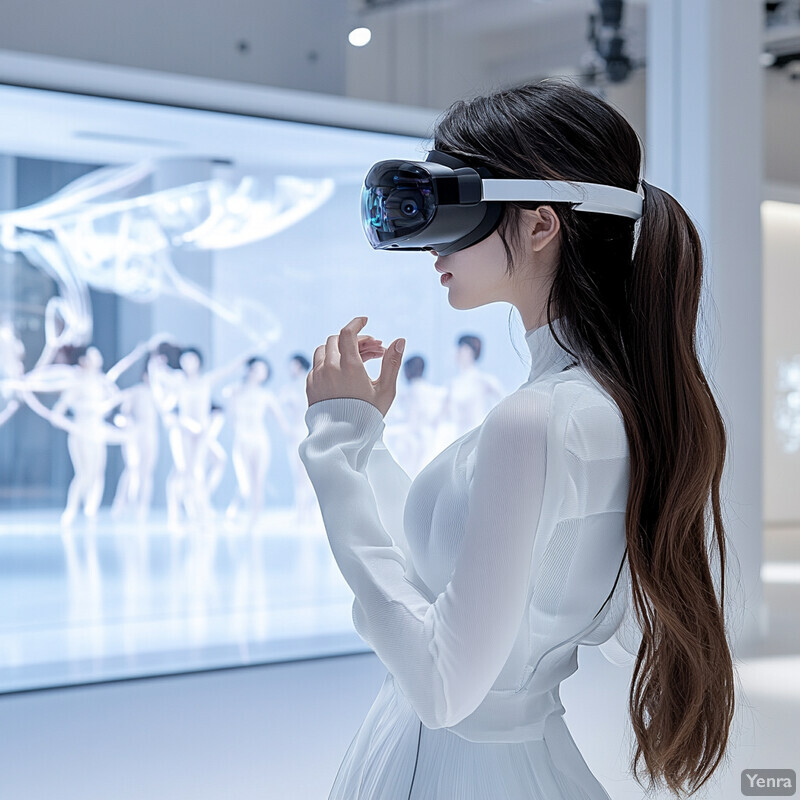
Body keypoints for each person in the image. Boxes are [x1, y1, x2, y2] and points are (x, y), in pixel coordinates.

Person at [298, 79, 735, 800]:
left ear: (539, 225)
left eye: (452, 203)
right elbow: (447, 562)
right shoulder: (604, 405)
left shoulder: (534, 419)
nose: (428, 243)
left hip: (446, 768)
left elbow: (443, 688)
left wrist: (335, 447)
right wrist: (363, 442)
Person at [222, 356, 290, 528]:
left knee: (258, 480)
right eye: (255, 368)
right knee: (245, 481)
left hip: (260, 440)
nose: (258, 373)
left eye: (262, 370)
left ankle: (254, 520)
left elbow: (281, 420)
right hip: (242, 439)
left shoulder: (266, 395)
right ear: (249, 370)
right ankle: (237, 509)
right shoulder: (234, 391)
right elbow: (230, 418)